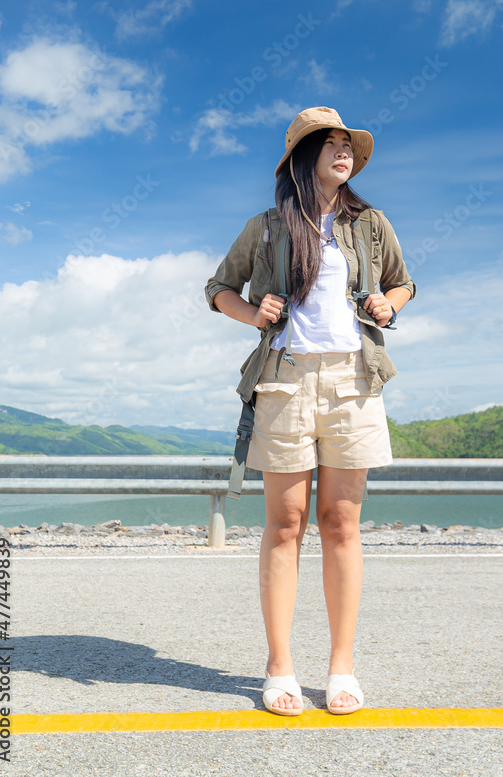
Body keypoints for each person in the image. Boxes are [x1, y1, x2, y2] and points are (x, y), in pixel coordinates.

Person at [205, 106, 415, 716]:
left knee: (342, 523)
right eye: (332, 143)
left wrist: (384, 302)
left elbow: (404, 283)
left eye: (349, 144)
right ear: (305, 156)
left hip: (354, 379)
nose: (344, 151)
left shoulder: (371, 225)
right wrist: (253, 313)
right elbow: (218, 287)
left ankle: (341, 668)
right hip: (284, 380)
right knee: (288, 521)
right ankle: (280, 668)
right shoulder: (267, 226)